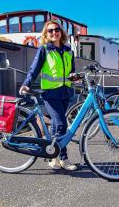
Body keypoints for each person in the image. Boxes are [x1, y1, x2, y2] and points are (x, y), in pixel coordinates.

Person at [19, 19, 77, 171]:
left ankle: (53, 157)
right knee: (61, 124)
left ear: (61, 31)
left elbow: (72, 71)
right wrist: (26, 83)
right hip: (50, 93)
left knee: (56, 127)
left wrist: (75, 77)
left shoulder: (68, 50)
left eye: (56, 29)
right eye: (50, 31)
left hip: (65, 92)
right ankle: (63, 158)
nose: (54, 33)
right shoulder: (44, 49)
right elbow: (34, 68)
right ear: (46, 34)